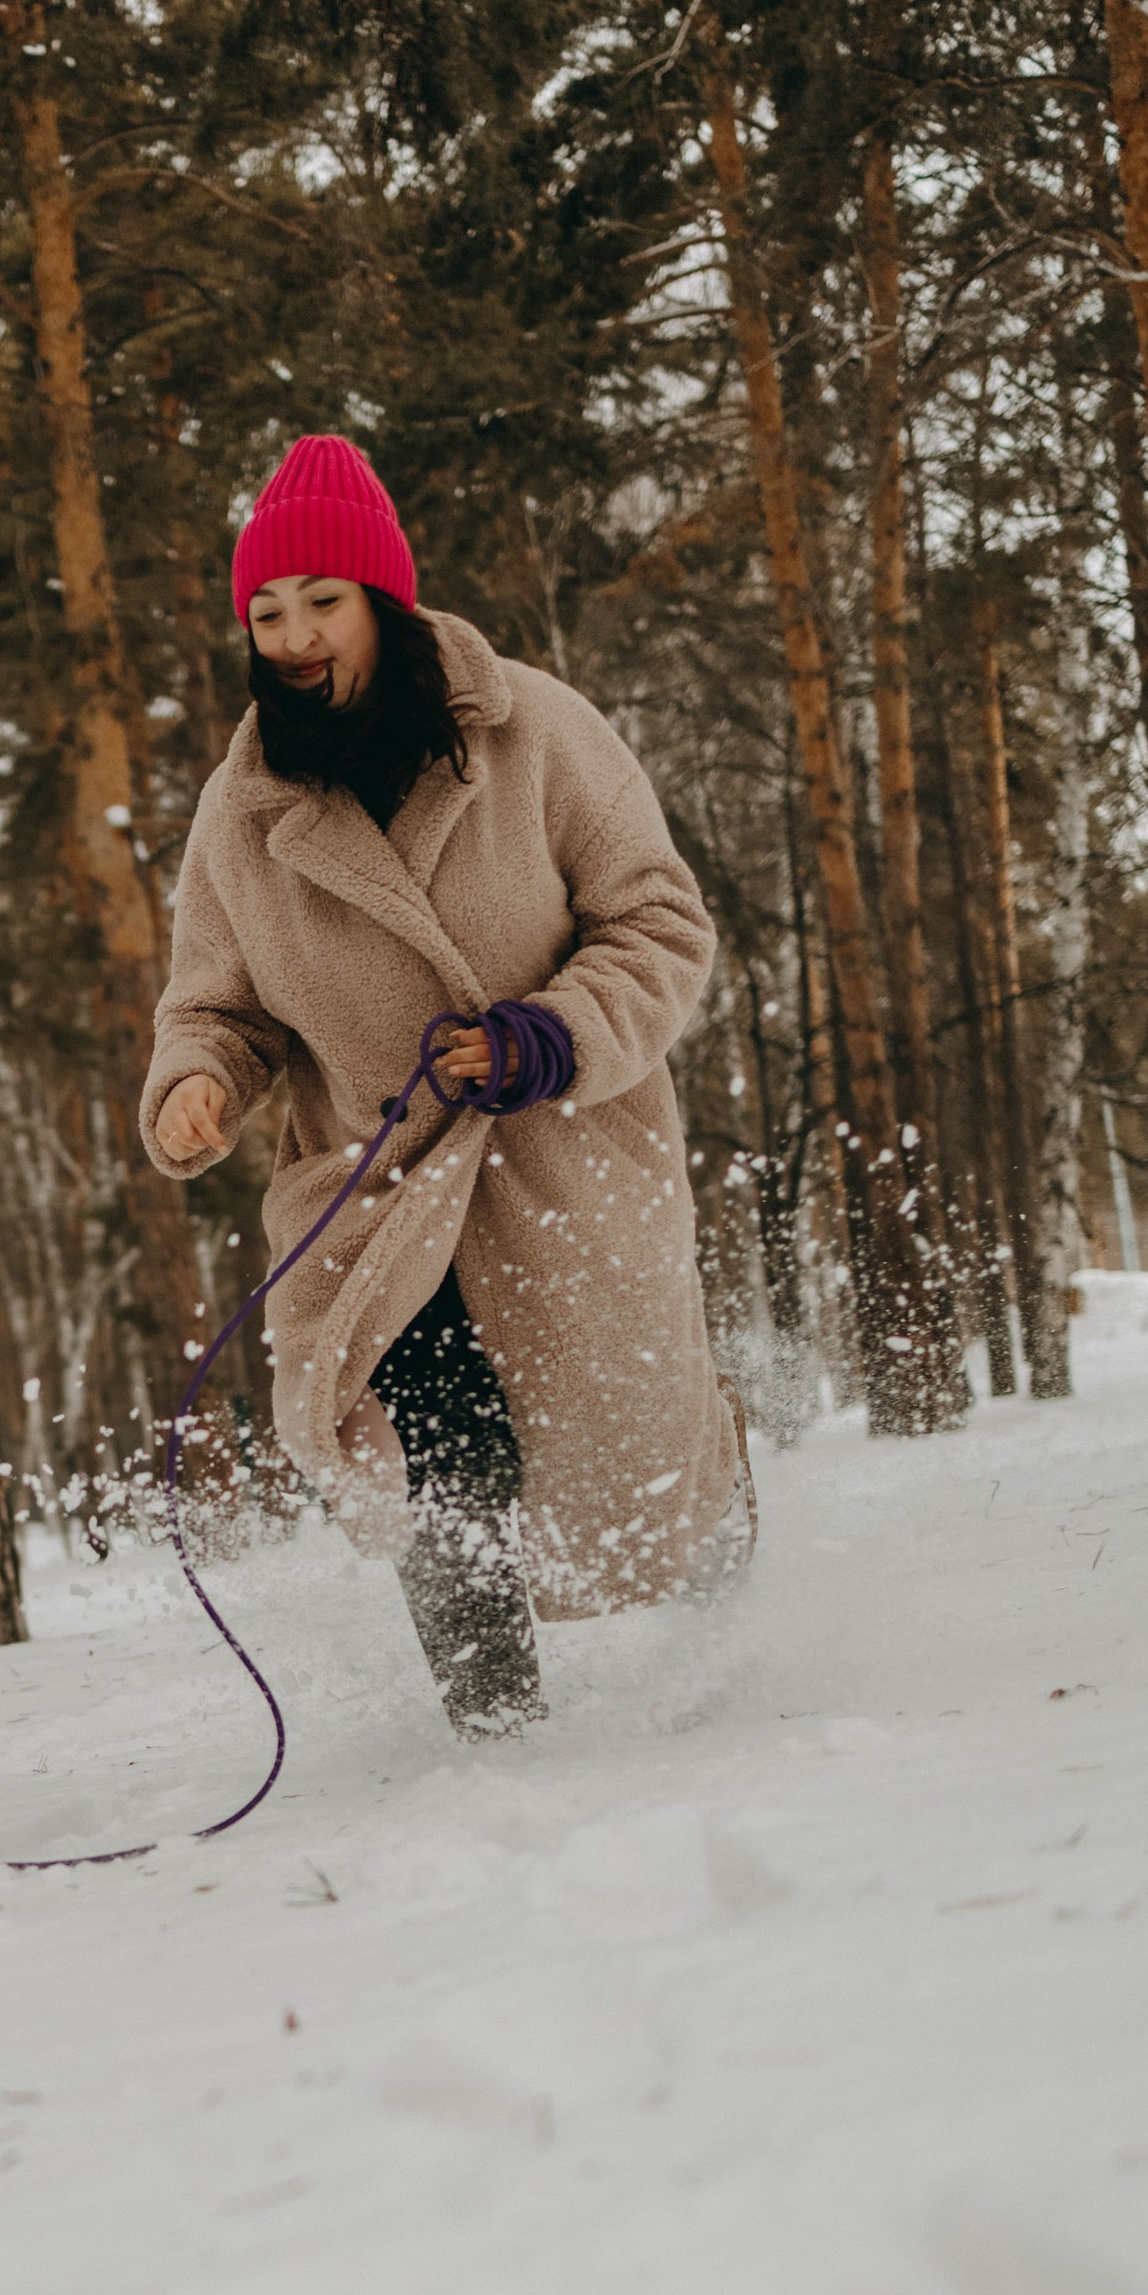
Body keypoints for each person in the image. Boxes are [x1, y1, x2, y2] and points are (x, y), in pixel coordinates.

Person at [142, 432, 749, 1734]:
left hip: (561, 1157)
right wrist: (198, 1079)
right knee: (441, 1455)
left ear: (384, 597)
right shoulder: (241, 810)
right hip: (379, 1197)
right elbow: (215, 1005)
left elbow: (660, 923)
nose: (293, 637)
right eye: (266, 611)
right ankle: (496, 1729)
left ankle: (735, 1664)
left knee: (643, 1439)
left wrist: (549, 1036)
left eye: (321, 601)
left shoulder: (536, 732)